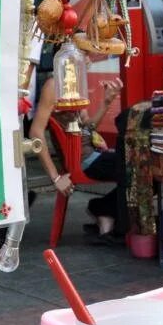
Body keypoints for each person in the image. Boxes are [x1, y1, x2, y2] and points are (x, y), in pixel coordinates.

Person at [28, 74, 127, 243]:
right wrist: (56, 178)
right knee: (142, 167)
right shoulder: (54, 85)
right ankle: (106, 210)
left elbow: (87, 126)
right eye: (85, 53)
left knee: (145, 165)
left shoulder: (75, 80)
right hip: (83, 161)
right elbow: (36, 132)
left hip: (93, 153)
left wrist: (106, 103)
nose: (88, 59)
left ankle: (105, 209)